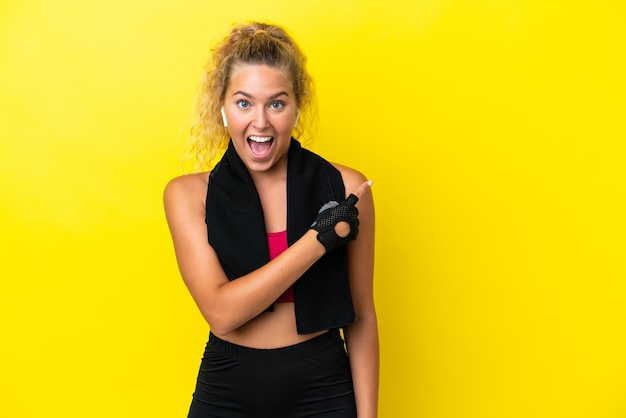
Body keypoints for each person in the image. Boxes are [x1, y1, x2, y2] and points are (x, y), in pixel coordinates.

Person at [164, 21, 378, 418]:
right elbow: (221, 312)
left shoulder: (346, 187)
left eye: (276, 103)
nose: (260, 122)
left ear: (297, 108)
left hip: (324, 388)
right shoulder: (187, 195)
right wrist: (321, 238)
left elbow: (362, 315)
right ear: (223, 109)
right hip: (229, 386)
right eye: (244, 103)